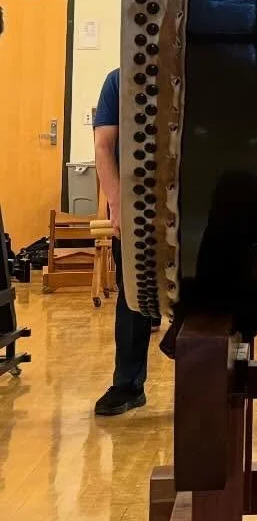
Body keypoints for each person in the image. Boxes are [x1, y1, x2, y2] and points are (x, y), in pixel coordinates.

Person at [92, 67, 157, 417]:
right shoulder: (119, 80)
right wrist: (118, 204)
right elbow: (104, 145)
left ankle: (214, 380)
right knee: (132, 293)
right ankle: (128, 384)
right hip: (137, 204)